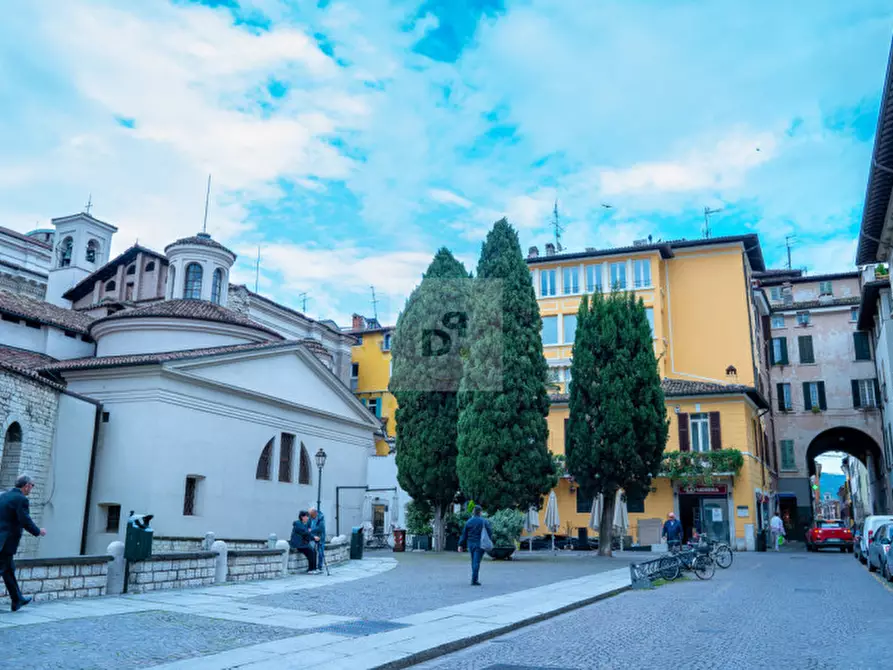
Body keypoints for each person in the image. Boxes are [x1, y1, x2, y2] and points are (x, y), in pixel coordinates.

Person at [0, 475, 46, 611]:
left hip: (2, 541)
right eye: (32, 485)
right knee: (6, 569)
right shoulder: (21, 499)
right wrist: (38, 531)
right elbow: (25, 520)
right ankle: (17, 599)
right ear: (26, 486)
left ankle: (17, 599)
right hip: (6, 542)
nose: (32, 488)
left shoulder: (4, 496)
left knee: (8, 570)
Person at [458, 506, 493, 586]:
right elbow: (490, 532)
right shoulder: (483, 521)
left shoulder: (469, 522)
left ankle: (474, 578)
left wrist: (460, 545)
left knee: (473, 560)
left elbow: (464, 534)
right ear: (480, 512)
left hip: (470, 544)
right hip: (480, 544)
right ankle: (474, 580)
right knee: (476, 561)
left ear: (473, 512)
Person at [309, 507, 326, 574]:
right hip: (313, 537)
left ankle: (320, 567)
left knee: (320, 552)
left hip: (320, 537)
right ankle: (312, 567)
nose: (310, 517)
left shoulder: (321, 518)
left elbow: (320, 528)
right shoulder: (311, 517)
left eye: (311, 515)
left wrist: (311, 530)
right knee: (312, 551)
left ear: (315, 513)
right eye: (310, 515)